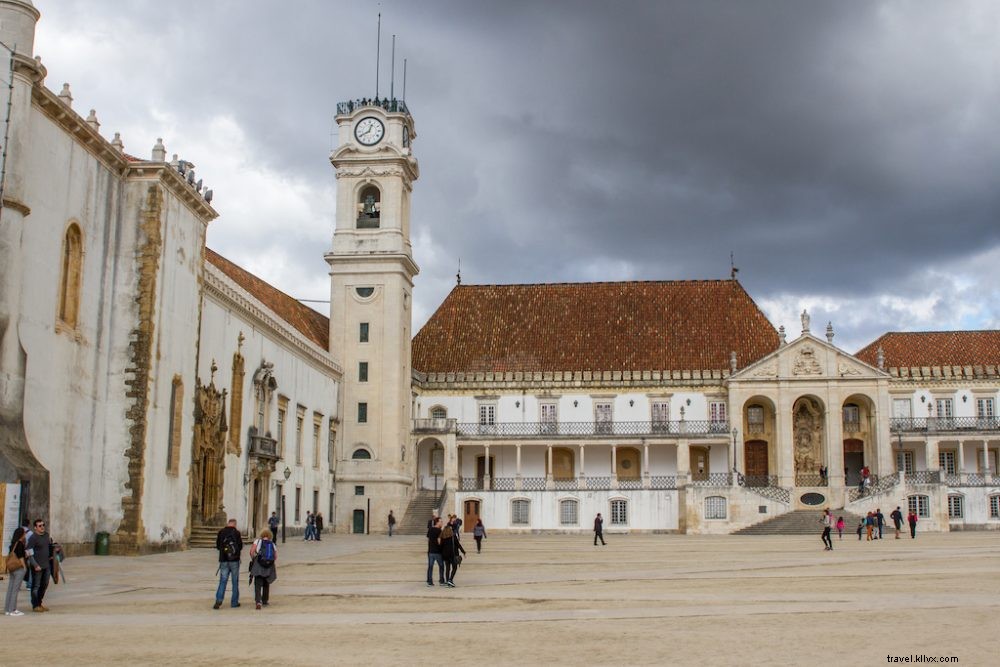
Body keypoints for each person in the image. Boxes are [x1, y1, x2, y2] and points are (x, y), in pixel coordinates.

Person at [26, 518, 55, 612]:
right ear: (35, 528)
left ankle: (40, 603)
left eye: (43, 525)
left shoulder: (46, 535)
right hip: (37, 566)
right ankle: (35, 605)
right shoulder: (33, 538)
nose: (42, 527)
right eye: (40, 526)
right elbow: (29, 552)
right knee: (36, 586)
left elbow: (49, 547)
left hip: (46, 565)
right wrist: (35, 565)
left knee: (45, 584)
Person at [214, 518, 243, 609]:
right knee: (235, 581)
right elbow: (240, 546)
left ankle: (219, 600)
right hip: (234, 560)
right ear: (234, 524)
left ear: (228, 523)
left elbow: (218, 545)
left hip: (223, 559)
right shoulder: (237, 533)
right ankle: (234, 602)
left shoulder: (221, 532)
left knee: (223, 580)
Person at [249, 529, 277, 610]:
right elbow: (275, 556)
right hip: (268, 566)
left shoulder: (257, 541)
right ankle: (265, 600)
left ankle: (258, 601)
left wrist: (254, 558)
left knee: (258, 583)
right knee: (266, 582)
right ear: (270, 535)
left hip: (259, 564)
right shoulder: (272, 544)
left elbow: (251, 552)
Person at [4, 527, 27, 616]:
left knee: (10, 588)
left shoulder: (13, 543)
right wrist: (24, 567)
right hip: (18, 568)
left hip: (12, 568)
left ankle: (7, 609)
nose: (25, 534)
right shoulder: (20, 544)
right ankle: (12, 609)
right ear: (21, 534)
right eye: (24, 533)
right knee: (15, 589)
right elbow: (21, 557)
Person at [426, 517, 445, 586]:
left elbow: (428, 539)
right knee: (441, 566)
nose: (442, 523)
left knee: (430, 566)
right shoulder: (439, 531)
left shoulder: (430, 529)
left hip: (430, 551)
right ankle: (441, 580)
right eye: (441, 522)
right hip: (437, 552)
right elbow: (439, 541)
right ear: (437, 522)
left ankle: (430, 581)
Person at [440, 523, 460, 587]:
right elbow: (458, 545)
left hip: (445, 555)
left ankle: (447, 581)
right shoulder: (453, 537)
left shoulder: (442, 537)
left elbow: (441, 546)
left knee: (447, 568)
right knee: (455, 567)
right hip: (452, 555)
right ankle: (450, 580)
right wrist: (463, 551)